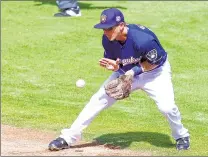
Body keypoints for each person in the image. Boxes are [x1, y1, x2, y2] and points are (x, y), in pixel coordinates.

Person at [48, 8, 190, 151]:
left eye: (109, 28)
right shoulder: (107, 40)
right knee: (97, 100)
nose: (105, 32)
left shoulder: (143, 39)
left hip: (155, 74)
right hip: (126, 73)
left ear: (121, 25)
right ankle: (68, 137)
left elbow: (153, 62)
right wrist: (115, 67)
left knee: (167, 108)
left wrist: (132, 72)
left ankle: (181, 135)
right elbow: (116, 61)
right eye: (103, 28)